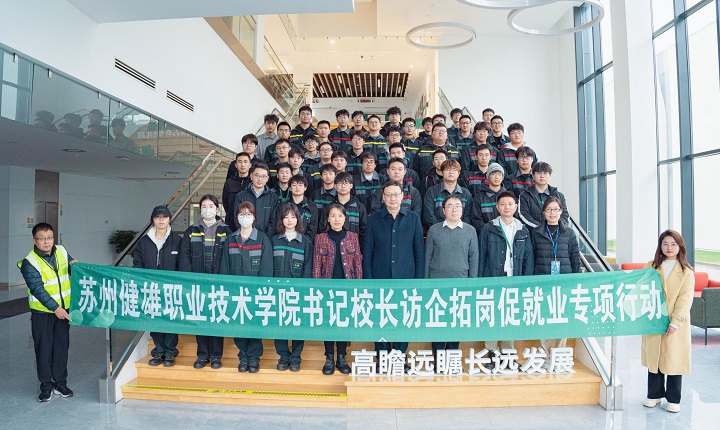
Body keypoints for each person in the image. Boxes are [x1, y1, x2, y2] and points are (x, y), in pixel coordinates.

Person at [364, 181, 424, 366]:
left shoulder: (413, 219)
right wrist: (369, 281)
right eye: (388, 195)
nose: (392, 198)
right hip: (379, 278)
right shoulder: (374, 220)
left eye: (396, 194)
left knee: (402, 318)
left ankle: (398, 355)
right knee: (380, 318)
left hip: (406, 278)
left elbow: (419, 252)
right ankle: (382, 356)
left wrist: (418, 281)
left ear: (402, 196)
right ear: (383, 197)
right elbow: (368, 253)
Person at [19, 222, 78, 402]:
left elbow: (72, 269)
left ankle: (60, 383)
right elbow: (37, 289)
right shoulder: (29, 262)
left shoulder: (62, 251)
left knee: (61, 348)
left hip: (64, 311)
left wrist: (76, 266)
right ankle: (46, 386)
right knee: (43, 350)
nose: (47, 242)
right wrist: (55, 308)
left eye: (50, 237)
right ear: (34, 240)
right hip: (42, 313)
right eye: (42, 238)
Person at [478, 192, 534, 365]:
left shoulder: (523, 230)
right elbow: (481, 256)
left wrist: (525, 283)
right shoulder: (489, 228)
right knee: (492, 318)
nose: (507, 207)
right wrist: (480, 282)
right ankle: (492, 354)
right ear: (497, 207)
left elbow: (528, 258)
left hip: (514, 280)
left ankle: (508, 355)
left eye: (510, 204)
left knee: (510, 318)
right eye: (503, 204)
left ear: (516, 207)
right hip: (493, 279)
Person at [641, 230, 694, 413]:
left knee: (673, 360)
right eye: (665, 244)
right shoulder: (651, 265)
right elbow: (641, 288)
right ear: (660, 246)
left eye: (673, 244)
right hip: (653, 319)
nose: (669, 247)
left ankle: (673, 398)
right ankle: (654, 394)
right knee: (655, 359)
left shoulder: (686, 271)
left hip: (675, 322)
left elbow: (685, 299)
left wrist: (675, 322)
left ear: (680, 247)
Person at [179, 196, 233, 370]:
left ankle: (216, 356)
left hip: (218, 282)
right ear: (200, 209)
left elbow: (230, 257)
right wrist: (188, 280)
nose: (207, 209)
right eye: (204, 206)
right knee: (200, 318)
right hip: (198, 282)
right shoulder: (192, 230)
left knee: (217, 318)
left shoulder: (227, 231)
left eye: (211, 206)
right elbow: (185, 257)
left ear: (217, 209)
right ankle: (202, 355)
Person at [220, 202, 273, 373]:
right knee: (239, 324)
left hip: (256, 293)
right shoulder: (230, 240)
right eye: (241, 214)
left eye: (248, 214)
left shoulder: (263, 239)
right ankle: (243, 356)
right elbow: (225, 267)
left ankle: (254, 358)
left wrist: (263, 291)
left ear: (254, 217)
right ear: (237, 217)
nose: (245, 217)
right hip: (236, 293)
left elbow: (267, 268)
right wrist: (227, 291)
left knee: (255, 325)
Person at [425, 195, 478, 362]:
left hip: (461, 284)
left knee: (456, 323)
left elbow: (474, 258)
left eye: (457, 206)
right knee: (438, 322)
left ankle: (452, 357)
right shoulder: (434, 230)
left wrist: (472, 283)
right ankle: (438, 359)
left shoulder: (470, 230)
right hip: (437, 285)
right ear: (443, 210)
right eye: (450, 206)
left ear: (462, 210)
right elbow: (428, 257)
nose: (454, 209)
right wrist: (425, 283)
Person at [313, 203, 362, 375]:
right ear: (328, 218)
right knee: (328, 323)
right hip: (327, 289)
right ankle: (329, 357)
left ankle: (341, 356)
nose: (336, 219)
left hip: (347, 289)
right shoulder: (320, 238)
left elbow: (357, 264)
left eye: (340, 216)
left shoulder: (352, 237)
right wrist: (317, 290)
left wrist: (358, 287)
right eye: (333, 215)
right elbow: (317, 266)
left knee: (343, 322)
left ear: (345, 218)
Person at [132, 206, 183, 367]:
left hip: (171, 289)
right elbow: (137, 264)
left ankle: (170, 352)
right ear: (152, 219)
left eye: (164, 217)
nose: (161, 220)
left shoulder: (177, 241)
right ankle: (158, 351)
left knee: (170, 319)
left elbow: (182, 265)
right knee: (154, 319)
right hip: (150, 288)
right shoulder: (144, 241)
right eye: (158, 217)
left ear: (170, 219)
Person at [531, 197, 580, 360]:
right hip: (542, 282)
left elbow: (575, 258)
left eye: (556, 209)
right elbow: (531, 258)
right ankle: (544, 355)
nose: (552, 213)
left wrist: (576, 281)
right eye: (549, 209)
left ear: (561, 212)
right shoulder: (536, 233)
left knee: (562, 317)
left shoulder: (569, 233)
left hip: (564, 283)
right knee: (544, 318)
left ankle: (559, 353)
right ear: (543, 212)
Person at [271, 203, 313, 371]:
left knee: (298, 324)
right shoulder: (274, 240)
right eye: (286, 217)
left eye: (293, 217)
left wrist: (303, 289)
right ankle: (283, 356)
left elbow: (308, 267)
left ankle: (295, 357)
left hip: (298, 292)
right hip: (277, 291)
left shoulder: (305, 242)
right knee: (279, 324)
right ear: (281, 220)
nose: (289, 220)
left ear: (298, 219)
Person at [422, 159, 472, 229]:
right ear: (442, 173)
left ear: (459, 173)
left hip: (460, 231)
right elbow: (428, 216)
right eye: (447, 170)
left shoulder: (466, 194)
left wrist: (458, 229)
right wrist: (442, 230)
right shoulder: (431, 192)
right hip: (438, 231)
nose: (451, 172)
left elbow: (467, 217)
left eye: (454, 170)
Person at [518, 162, 569, 230]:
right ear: (533, 176)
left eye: (545, 173)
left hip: (556, 232)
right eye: (538, 173)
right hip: (533, 233)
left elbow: (565, 215)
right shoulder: (524, 195)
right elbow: (523, 215)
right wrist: (541, 229)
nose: (542, 176)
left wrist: (556, 227)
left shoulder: (559, 196)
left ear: (550, 175)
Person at [233, 162, 280, 235]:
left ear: (267, 179)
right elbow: (237, 219)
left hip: (266, 238)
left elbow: (274, 222)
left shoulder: (273, 198)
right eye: (257, 175)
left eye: (263, 176)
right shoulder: (241, 196)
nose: (260, 179)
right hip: (245, 237)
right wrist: (246, 235)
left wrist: (265, 238)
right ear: (251, 176)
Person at [470, 163, 508, 232]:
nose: (497, 177)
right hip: (487, 235)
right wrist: (490, 232)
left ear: (502, 177)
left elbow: (513, 217)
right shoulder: (479, 198)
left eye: (499, 174)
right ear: (488, 176)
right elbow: (476, 220)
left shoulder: (508, 196)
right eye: (493, 174)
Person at [222, 152, 252, 231]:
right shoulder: (229, 183)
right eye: (240, 162)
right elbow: (225, 203)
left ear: (250, 165)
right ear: (235, 165)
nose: (242, 165)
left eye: (245, 162)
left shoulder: (253, 183)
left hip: (249, 223)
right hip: (231, 223)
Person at [287, 174, 319, 241]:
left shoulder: (312, 207)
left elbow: (313, 228)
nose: (297, 187)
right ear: (290, 188)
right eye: (294, 185)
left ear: (305, 188)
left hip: (306, 242)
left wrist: (305, 242)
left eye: (300, 185)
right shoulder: (284, 206)